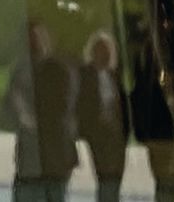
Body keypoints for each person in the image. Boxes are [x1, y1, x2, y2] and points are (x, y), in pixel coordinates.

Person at [7, 21, 80, 201]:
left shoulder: (60, 69)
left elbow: (62, 109)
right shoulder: (20, 70)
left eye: (37, 38)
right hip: (30, 159)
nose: (34, 44)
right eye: (30, 40)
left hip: (55, 156)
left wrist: (28, 115)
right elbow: (8, 106)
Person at [75, 29, 130, 202]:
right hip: (96, 133)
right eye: (100, 49)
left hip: (115, 134)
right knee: (105, 175)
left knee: (115, 175)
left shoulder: (114, 75)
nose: (104, 53)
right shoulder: (84, 75)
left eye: (107, 50)